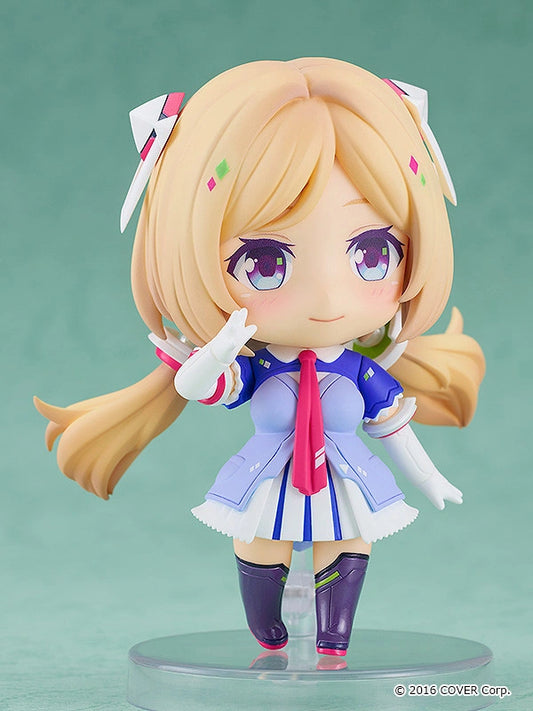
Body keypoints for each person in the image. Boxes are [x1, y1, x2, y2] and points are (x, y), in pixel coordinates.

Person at [35, 58, 485, 656]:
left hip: (347, 479)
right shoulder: (259, 368)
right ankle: (266, 624)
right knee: (260, 544)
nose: (327, 297)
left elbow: (394, 428)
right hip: (266, 480)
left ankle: (335, 633)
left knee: (348, 544)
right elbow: (200, 387)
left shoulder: (360, 372)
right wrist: (216, 350)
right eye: (265, 262)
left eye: (374, 253)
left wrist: (429, 477)